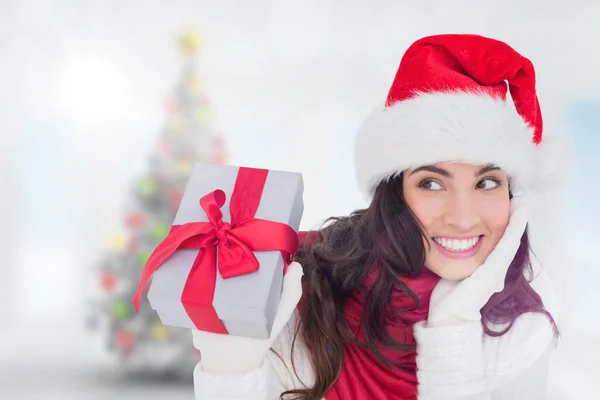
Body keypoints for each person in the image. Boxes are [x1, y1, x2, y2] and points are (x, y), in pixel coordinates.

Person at [191, 34, 572, 399]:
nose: (462, 217)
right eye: (432, 184)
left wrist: (453, 329)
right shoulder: (306, 294)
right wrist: (230, 377)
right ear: (395, 193)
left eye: (487, 183)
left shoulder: (523, 320)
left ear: (512, 196)